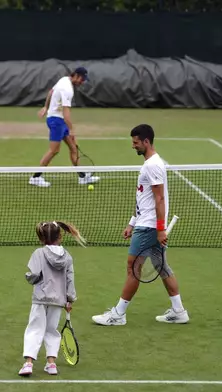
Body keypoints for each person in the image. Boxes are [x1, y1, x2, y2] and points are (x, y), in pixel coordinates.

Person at [91, 124, 190, 325]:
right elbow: (144, 199)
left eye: (136, 143)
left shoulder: (152, 165)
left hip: (149, 227)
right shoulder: (151, 163)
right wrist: (131, 222)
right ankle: (179, 311)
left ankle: (118, 315)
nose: (133, 146)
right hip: (146, 223)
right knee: (162, 267)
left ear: (146, 141)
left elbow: (159, 198)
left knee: (133, 267)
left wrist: (160, 228)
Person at [18, 221, 84, 377]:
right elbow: (70, 279)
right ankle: (51, 364)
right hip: (58, 301)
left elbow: (33, 274)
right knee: (51, 331)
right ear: (60, 236)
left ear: (41, 239)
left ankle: (28, 363)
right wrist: (70, 299)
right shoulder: (67, 256)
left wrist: (29, 277)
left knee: (34, 328)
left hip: (40, 299)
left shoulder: (38, 253)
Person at [29, 67, 99, 188]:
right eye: (81, 79)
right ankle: (35, 178)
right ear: (76, 75)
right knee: (54, 150)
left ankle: (82, 177)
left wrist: (46, 107)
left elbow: (51, 92)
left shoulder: (64, 80)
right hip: (56, 121)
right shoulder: (67, 89)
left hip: (59, 120)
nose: (82, 82)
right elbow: (66, 113)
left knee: (73, 148)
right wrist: (71, 129)